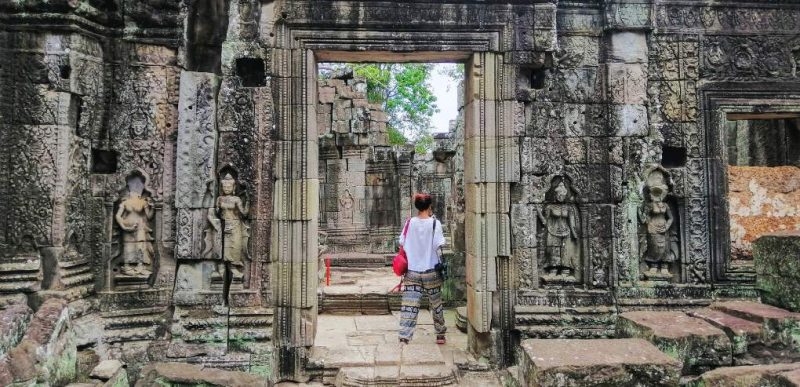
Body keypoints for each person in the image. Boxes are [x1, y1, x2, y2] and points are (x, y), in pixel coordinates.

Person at [398, 193, 447, 345]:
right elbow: (439, 244)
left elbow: (401, 242)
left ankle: (405, 335)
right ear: (429, 206)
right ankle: (440, 334)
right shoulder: (435, 224)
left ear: (417, 207)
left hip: (412, 271)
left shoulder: (409, 223)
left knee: (409, 305)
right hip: (431, 271)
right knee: (436, 304)